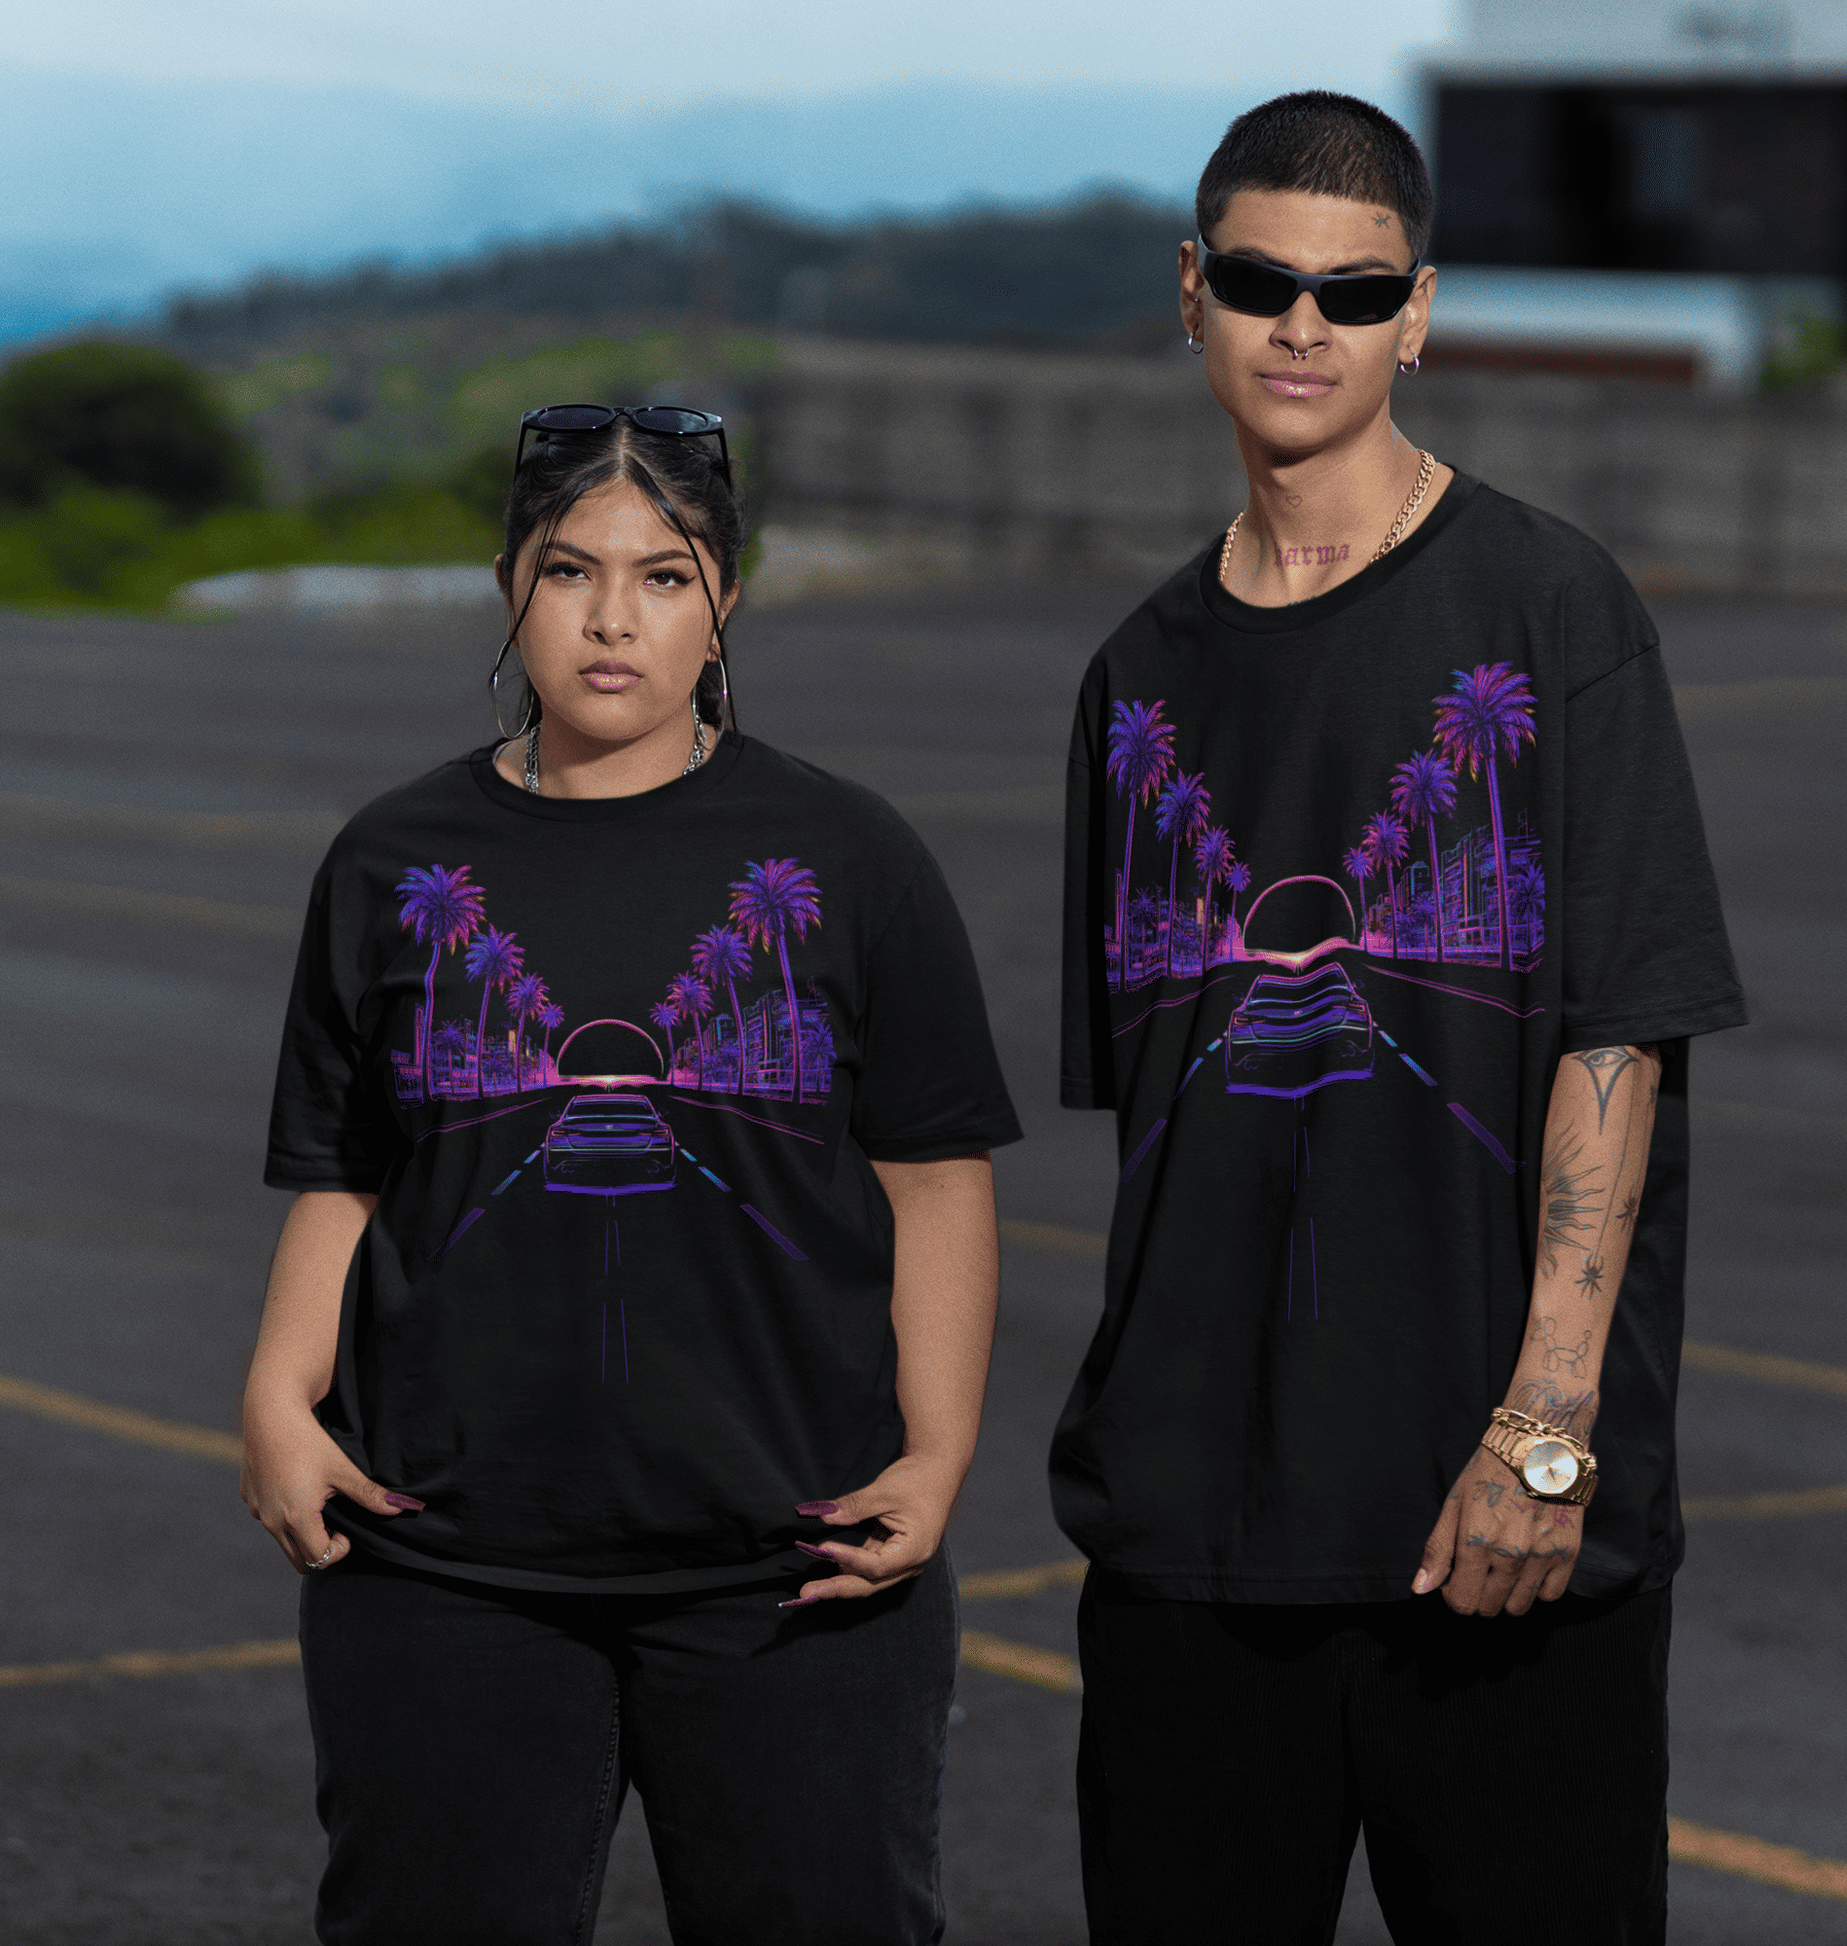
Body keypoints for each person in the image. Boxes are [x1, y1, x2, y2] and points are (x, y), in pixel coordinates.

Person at [1056, 93, 1745, 1944]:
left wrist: (1545, 1434)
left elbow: (1618, 1040)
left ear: (1416, 315)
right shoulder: (1133, 678)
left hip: (1502, 1545)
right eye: (1265, 281)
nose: (1305, 326)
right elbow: (1159, 1118)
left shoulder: (1548, 606)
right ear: (1191, 291)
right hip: (1193, 1546)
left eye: (1352, 295)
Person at [241, 403, 1020, 1945]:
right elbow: (343, 1166)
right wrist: (276, 1393)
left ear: (725, 596)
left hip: (793, 1567)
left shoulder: (849, 856)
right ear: (505, 583)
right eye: (568, 571)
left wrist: (934, 1456)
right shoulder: (393, 859)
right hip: (444, 1562)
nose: (612, 619)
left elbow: (935, 1175)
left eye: (663, 576)